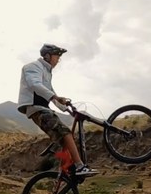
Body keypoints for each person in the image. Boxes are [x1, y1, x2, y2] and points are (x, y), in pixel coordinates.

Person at [17, 43, 98, 176]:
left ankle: (68, 170)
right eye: (57, 56)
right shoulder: (32, 67)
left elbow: (51, 93)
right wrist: (56, 97)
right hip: (36, 108)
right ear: (47, 56)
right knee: (65, 132)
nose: (58, 60)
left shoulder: (47, 72)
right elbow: (34, 84)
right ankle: (79, 166)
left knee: (65, 140)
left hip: (43, 108)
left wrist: (67, 109)